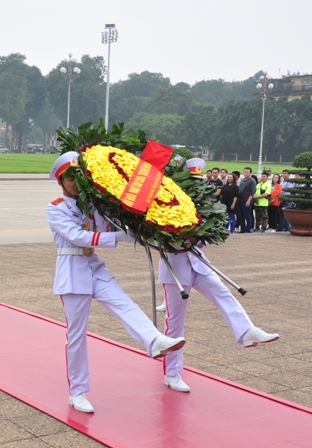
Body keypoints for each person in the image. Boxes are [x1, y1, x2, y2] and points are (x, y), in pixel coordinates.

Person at [46, 152, 186, 413]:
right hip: (72, 270)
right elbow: (78, 236)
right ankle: (77, 392)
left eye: (79, 176)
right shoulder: (55, 208)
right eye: (69, 178)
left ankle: (155, 340)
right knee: (76, 335)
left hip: (94, 266)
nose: (75, 182)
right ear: (60, 182)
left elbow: (108, 226)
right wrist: (120, 237)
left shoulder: (94, 204)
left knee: (125, 303)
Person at [160, 242, 279, 392]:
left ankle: (247, 331)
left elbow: (202, 236)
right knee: (175, 321)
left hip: (198, 263)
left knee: (223, 294)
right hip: (174, 269)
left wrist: (195, 237)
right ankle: (172, 373)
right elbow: (152, 240)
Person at [238, 167, 256, 233]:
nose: (246, 173)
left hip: (247, 200)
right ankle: (242, 229)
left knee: (248, 215)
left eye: (247, 172)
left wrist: (249, 200)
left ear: (250, 173)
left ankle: (249, 229)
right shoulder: (242, 180)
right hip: (240, 200)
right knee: (241, 215)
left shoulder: (252, 180)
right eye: (245, 172)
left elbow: (252, 191)